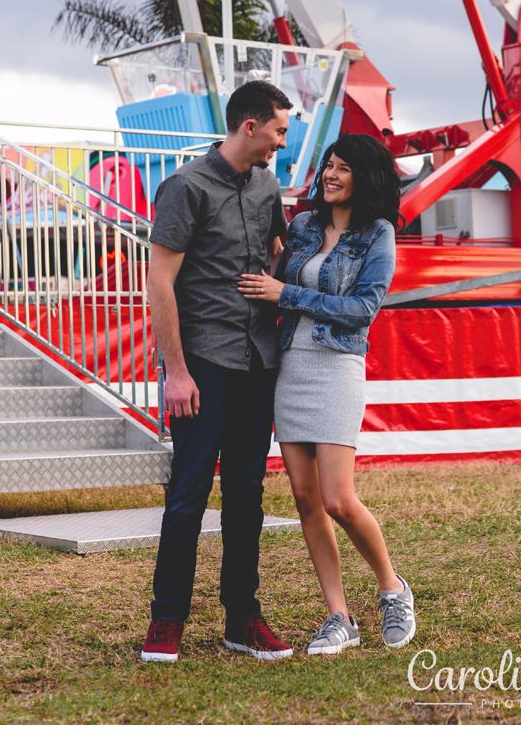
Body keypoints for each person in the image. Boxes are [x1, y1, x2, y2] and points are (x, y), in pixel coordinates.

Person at [236, 133, 414, 655]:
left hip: (337, 366)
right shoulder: (305, 226)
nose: (331, 175)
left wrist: (285, 293)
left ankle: (392, 588)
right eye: (328, 167)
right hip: (291, 364)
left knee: (338, 498)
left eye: (342, 168)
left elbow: (363, 309)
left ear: (367, 175)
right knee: (306, 499)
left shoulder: (377, 234)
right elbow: (274, 275)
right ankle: (339, 616)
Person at [141, 80, 295, 664]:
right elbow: (160, 283)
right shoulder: (185, 186)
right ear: (249, 127)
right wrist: (175, 372)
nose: (284, 140)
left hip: (259, 360)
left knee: (247, 496)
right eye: (279, 130)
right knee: (188, 495)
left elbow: (277, 250)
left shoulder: (268, 185)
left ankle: (242, 619)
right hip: (203, 363)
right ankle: (167, 619)